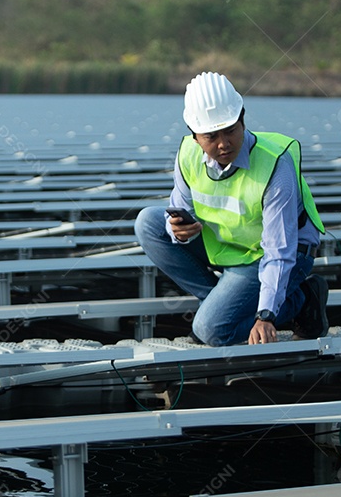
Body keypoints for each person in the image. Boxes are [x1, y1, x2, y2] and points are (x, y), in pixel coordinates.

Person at [135, 71, 328, 346]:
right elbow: (178, 207)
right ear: (194, 137)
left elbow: (280, 249)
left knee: (212, 332)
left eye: (230, 130)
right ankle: (219, 305)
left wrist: (266, 315)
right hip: (231, 245)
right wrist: (177, 230)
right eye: (211, 136)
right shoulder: (187, 155)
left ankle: (302, 300)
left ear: (243, 119)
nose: (224, 143)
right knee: (149, 223)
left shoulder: (275, 165)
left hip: (276, 255)